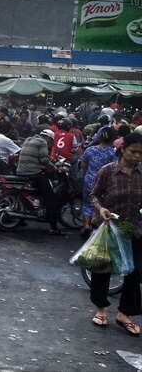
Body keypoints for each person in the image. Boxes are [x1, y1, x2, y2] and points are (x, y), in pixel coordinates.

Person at [89, 133, 142, 335]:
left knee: (135, 271)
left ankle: (124, 313)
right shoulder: (108, 171)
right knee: (103, 268)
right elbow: (94, 194)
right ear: (122, 149)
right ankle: (101, 308)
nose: (137, 156)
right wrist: (100, 209)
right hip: (109, 227)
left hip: (135, 228)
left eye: (141, 153)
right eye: (133, 151)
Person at [16, 129, 62, 235]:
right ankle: (53, 228)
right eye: (51, 142)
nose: (50, 144)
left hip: (20, 172)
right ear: (49, 139)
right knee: (51, 197)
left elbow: (39, 157)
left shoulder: (29, 139)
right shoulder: (42, 142)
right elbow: (44, 160)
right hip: (33, 173)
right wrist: (55, 168)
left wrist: (52, 160)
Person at [79, 127, 117, 237]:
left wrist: (86, 176)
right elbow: (114, 168)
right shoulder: (112, 152)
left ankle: (86, 224)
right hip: (104, 183)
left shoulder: (90, 150)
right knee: (101, 204)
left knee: (87, 202)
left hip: (89, 180)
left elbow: (83, 165)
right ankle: (98, 226)